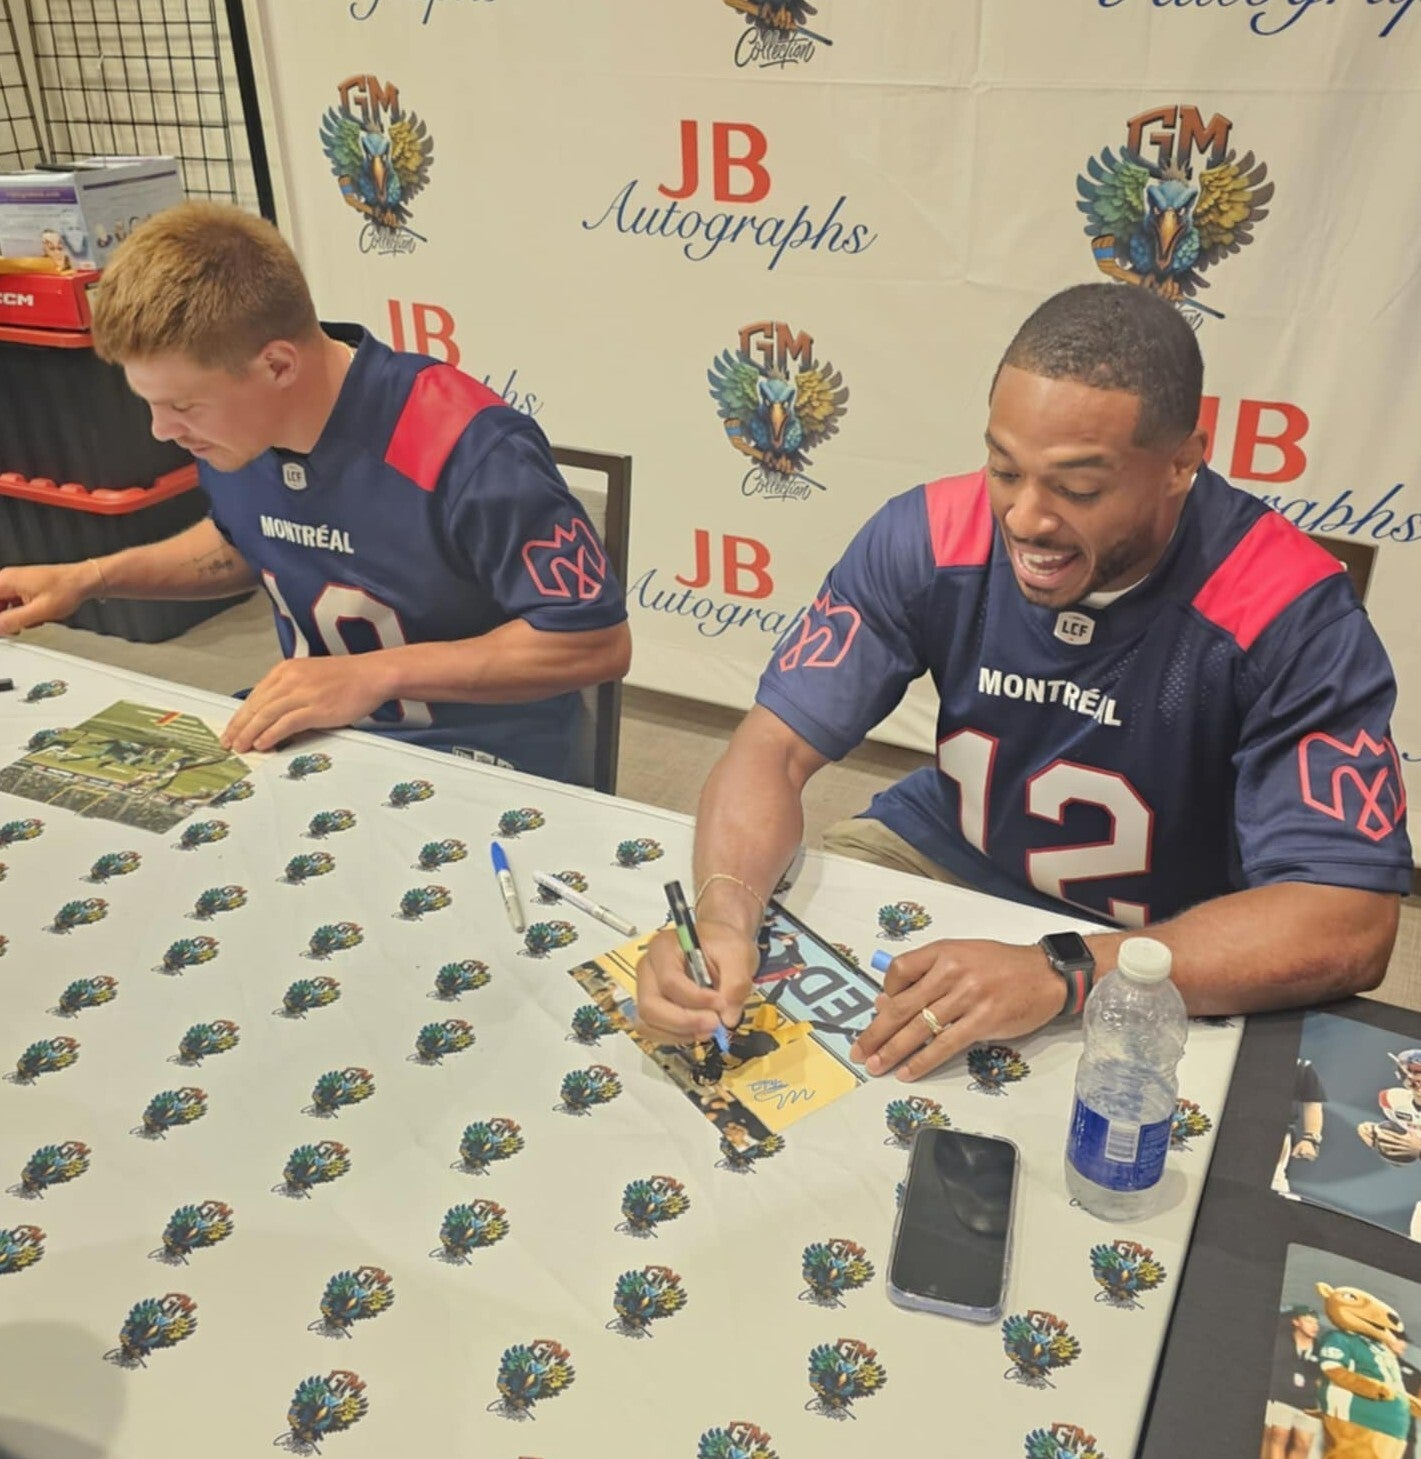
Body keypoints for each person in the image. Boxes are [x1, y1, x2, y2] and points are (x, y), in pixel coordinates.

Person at [635, 282, 1410, 1078]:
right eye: (1004, 469)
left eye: (1077, 488)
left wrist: (1064, 967)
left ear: (1181, 461)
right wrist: (721, 912)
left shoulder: (1286, 610)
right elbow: (773, 747)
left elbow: (1347, 923)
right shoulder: (930, 531)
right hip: (948, 848)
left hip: (1168, 926)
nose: (1025, 519)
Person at [0, 203, 630, 784]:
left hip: (483, 750)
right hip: (316, 733)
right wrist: (90, 577)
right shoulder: (237, 433)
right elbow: (250, 542)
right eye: (152, 405)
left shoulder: (466, 445)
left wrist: (374, 675)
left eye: (182, 405)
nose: (163, 432)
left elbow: (595, 643)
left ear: (278, 365)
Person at [1264, 1304, 1324, 1459]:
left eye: (1316, 1323)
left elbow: (1321, 1377)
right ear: (1296, 1322)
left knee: (1303, 1444)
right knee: (1279, 1436)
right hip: (1282, 1399)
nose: (1314, 1326)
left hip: (1307, 1404)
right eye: (1309, 1321)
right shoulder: (1282, 1342)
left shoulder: (1320, 1349)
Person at [1273, 1058, 1327, 1197]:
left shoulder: (1301, 1066)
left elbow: (1313, 1102)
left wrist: (1310, 1138)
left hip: (1279, 1134)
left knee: (1275, 1182)